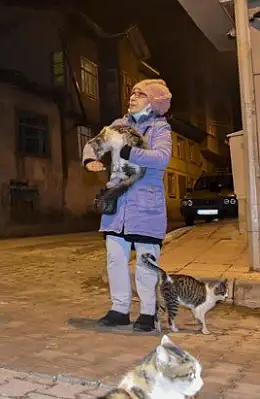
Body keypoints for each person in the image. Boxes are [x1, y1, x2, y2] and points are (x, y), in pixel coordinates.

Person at [82, 79, 173, 332]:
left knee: (146, 262)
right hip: (117, 204)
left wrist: (127, 153)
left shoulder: (160, 128)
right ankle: (120, 309)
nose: (132, 98)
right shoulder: (118, 126)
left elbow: (161, 158)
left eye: (140, 94)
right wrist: (90, 160)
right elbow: (94, 144)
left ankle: (147, 312)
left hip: (146, 205)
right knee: (115, 259)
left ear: (153, 102)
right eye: (132, 93)